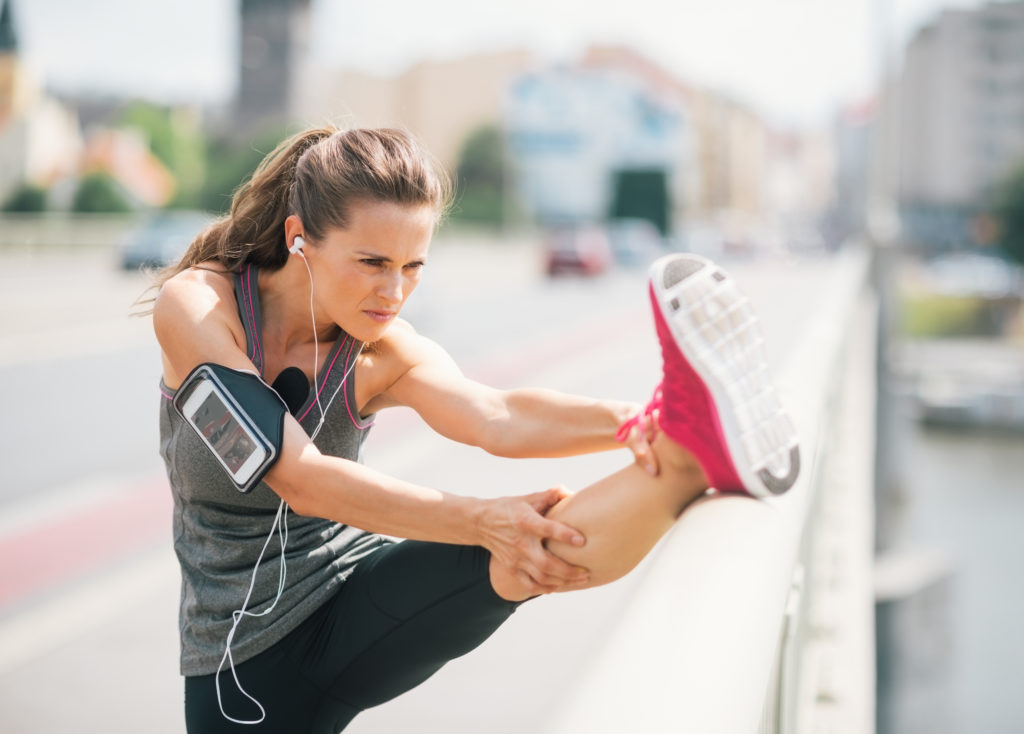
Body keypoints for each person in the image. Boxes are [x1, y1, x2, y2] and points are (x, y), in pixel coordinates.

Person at [149, 126, 799, 733]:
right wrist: (482, 517)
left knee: (525, 556)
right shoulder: (201, 307)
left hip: (349, 593)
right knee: (504, 533)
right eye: (373, 262)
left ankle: (691, 451)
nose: (394, 291)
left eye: (413, 267)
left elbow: (496, 415)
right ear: (299, 236)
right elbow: (301, 478)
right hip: (241, 669)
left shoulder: (379, 350)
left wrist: (636, 422)